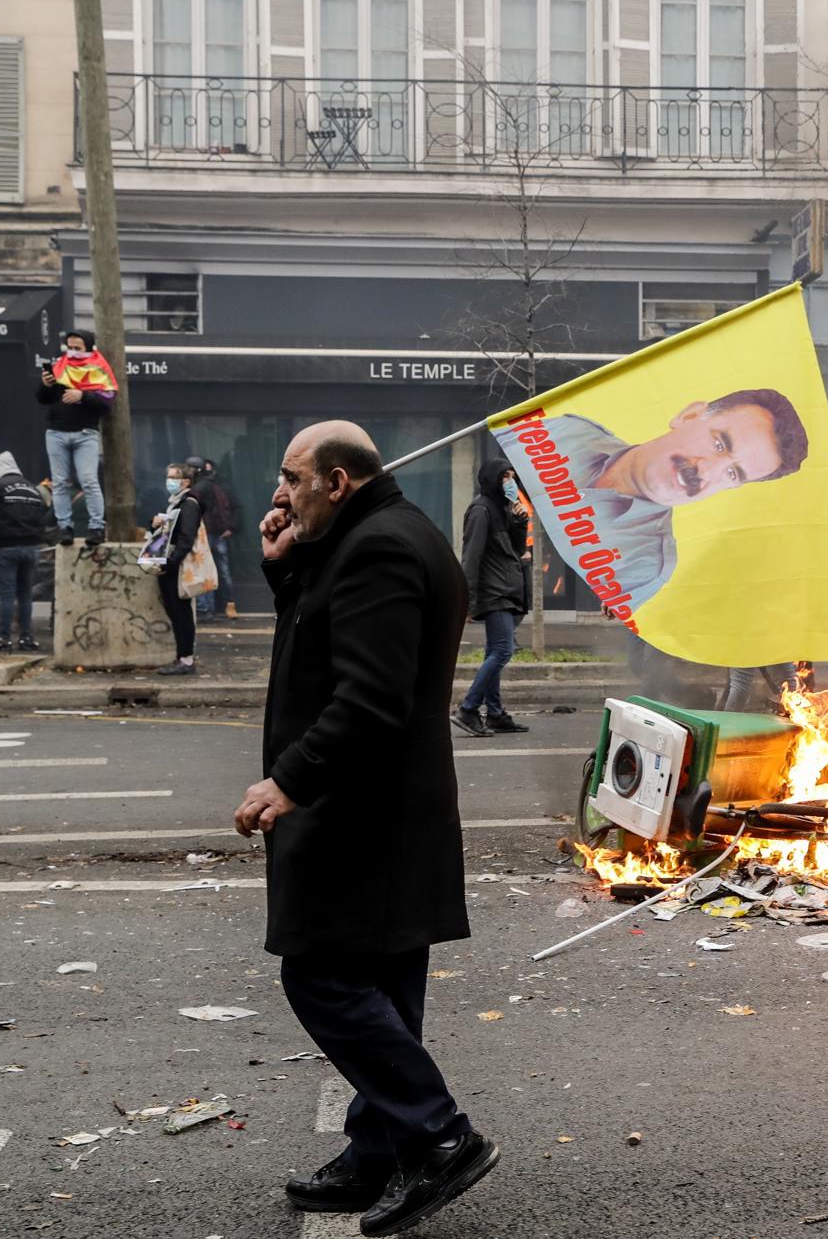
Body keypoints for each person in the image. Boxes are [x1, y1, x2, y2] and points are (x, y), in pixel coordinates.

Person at [234, 422, 494, 1236]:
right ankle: (377, 1152)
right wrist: (288, 569)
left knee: (321, 978)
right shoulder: (374, 538)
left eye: (291, 478)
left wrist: (288, 780)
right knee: (383, 988)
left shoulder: (380, 548)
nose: (279, 494)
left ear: (337, 481)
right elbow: (325, 639)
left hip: (362, 818)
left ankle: (442, 1136)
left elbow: (370, 699)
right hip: (388, 815)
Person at [524, 390, 810, 611]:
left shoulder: (644, 567)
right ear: (688, 416)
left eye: (733, 473)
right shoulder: (566, 433)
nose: (706, 470)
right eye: (719, 443)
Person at [452, 456, 531, 738]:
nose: (509, 482)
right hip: (493, 591)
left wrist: (520, 521)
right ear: (491, 479)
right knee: (503, 650)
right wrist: (467, 600)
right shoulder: (481, 511)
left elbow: (516, 549)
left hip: (505, 589)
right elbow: (470, 558)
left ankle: (495, 713)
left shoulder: (502, 508)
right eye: (504, 477)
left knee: (495, 651)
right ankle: (468, 709)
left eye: (512, 476)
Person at [35, 330, 115, 547]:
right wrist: (47, 384)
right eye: (69, 347)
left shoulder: (99, 369)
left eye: (77, 348)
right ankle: (65, 527)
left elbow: (107, 401)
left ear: (88, 348)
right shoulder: (60, 366)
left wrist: (83, 395)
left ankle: (97, 526)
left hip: (85, 433)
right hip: (56, 432)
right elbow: (43, 399)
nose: (73, 352)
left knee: (89, 480)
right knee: (59, 482)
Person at [0, 452, 48, 652]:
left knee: (6, 594)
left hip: (7, 547)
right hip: (31, 548)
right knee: (25, 595)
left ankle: (4, 638)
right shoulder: (32, 488)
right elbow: (44, 512)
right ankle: (26, 638)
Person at [146, 463, 204, 677]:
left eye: (173, 477)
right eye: (168, 476)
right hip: (168, 564)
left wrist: (171, 562)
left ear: (186, 482)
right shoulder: (175, 503)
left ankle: (186, 659)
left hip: (176, 566)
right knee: (175, 612)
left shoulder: (189, 504)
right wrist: (155, 524)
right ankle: (182, 657)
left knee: (181, 613)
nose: (169, 481)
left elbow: (186, 538)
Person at [188, 457, 240, 621]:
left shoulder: (199, 487)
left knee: (205, 570)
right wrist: (230, 528)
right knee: (223, 571)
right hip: (219, 533)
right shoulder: (219, 486)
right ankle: (229, 605)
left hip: (206, 534)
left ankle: (206, 609)